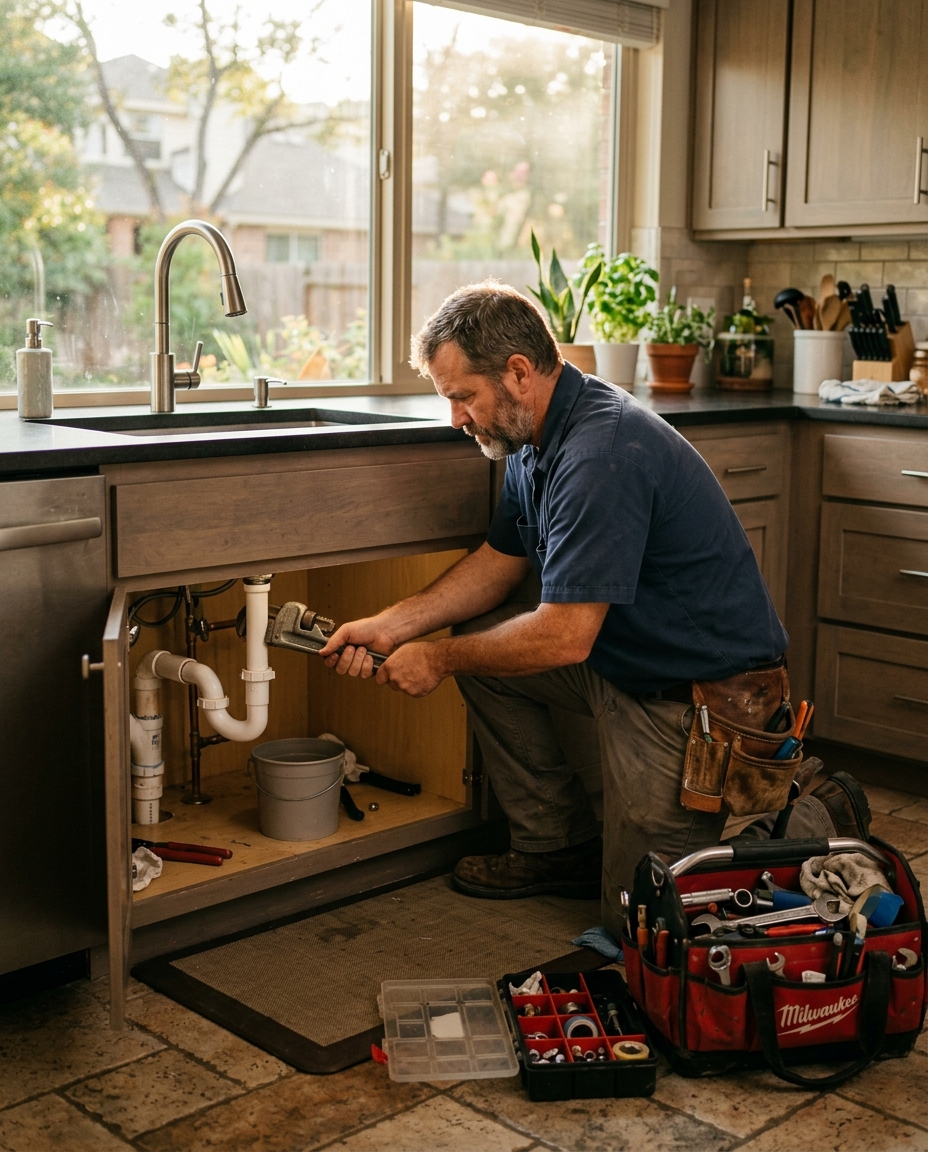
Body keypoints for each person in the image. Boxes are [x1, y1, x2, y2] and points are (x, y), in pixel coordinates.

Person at [319, 282, 872, 939]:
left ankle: (820, 815)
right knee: (481, 648)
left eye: (462, 396)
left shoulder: (600, 454)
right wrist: (395, 625)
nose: (456, 419)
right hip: (624, 662)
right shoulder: (535, 441)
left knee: (648, 922)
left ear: (518, 373)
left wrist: (435, 658)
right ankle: (557, 847)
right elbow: (500, 562)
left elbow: (562, 637)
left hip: (701, 700)